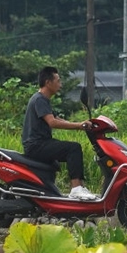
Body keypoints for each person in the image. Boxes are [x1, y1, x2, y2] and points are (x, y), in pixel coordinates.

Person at [22, 66, 96, 199]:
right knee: (73, 148)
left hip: (40, 143)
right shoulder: (39, 99)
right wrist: (79, 125)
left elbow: (57, 118)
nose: (60, 85)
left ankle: (80, 187)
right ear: (48, 82)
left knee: (68, 153)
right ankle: (76, 189)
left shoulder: (42, 99)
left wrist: (80, 123)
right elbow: (52, 122)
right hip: (36, 145)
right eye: (58, 81)